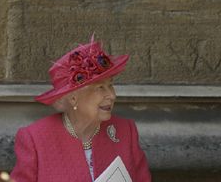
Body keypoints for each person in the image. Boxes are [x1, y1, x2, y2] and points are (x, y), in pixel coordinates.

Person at [11, 36, 151, 182]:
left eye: (110, 85)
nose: (112, 95)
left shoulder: (126, 131)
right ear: (73, 98)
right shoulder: (35, 139)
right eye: (100, 88)